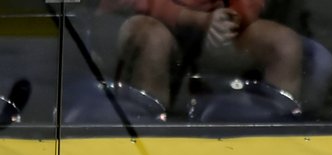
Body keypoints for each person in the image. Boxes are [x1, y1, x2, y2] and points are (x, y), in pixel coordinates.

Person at [100, 0, 303, 110]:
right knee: (153, 40)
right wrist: (197, 20)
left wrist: (230, 19)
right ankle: (146, 142)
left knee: (284, 45)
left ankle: (270, 154)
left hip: (208, 24)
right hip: (137, 19)